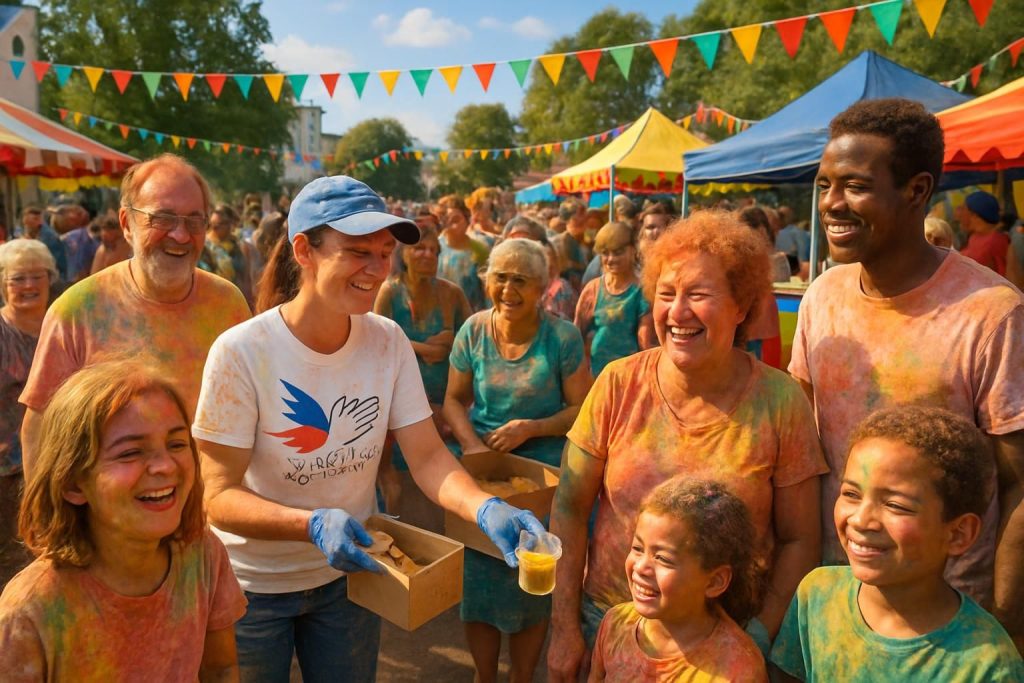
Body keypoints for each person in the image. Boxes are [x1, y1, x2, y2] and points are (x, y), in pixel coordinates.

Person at [192, 176, 545, 683]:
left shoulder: (387, 341)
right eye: (358, 253)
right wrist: (311, 524)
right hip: (254, 588)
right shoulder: (242, 352)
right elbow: (216, 495)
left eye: (384, 254)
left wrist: (483, 507)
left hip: (352, 575)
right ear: (304, 250)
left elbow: (427, 456)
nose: (378, 270)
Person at [548, 210, 827, 682]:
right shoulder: (617, 384)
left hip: (722, 649)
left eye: (698, 295)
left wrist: (759, 635)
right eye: (666, 294)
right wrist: (563, 627)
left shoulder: (780, 401)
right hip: (610, 628)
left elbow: (801, 539)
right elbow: (569, 509)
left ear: (741, 306)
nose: (678, 313)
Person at [791, 99, 1024, 640]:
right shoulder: (822, 298)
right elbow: (803, 457)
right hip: (838, 606)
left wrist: (1004, 626)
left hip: (948, 622)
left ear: (917, 190)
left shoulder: (992, 313)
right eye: (824, 186)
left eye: (855, 186)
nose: (832, 204)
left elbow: (1018, 485)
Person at [0, 362, 247, 681]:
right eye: (130, 453)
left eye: (176, 444)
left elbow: (221, 668)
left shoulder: (202, 556)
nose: (165, 466)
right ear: (73, 484)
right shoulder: (30, 613)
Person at [18, 153, 251, 478]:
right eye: (163, 218)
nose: (181, 235)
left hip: (209, 501)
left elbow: (251, 411)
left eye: (194, 220)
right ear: (127, 223)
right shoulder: (77, 311)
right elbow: (40, 427)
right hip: (112, 508)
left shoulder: (227, 304)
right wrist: (43, 509)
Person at [771, 406, 1024, 681]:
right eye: (851, 494)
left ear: (958, 534)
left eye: (895, 505)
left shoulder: (988, 665)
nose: (861, 520)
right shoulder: (817, 595)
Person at [444, 237, 592, 683]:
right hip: (483, 472)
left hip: (541, 480)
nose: (508, 290)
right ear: (488, 280)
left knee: (532, 583)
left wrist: (531, 427)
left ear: (543, 288)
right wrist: (471, 444)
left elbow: (580, 410)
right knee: (478, 587)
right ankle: (484, 675)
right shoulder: (473, 330)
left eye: (521, 281)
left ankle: (521, 677)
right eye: (501, 278)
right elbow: (453, 400)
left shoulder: (561, 338)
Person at [590, 478, 768, 682]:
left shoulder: (738, 670)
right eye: (637, 548)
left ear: (715, 582)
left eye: (663, 559)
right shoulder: (615, 625)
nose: (640, 567)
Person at [0, 241, 55, 587]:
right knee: (14, 560)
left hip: (60, 464)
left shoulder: (63, 325)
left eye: (37, 276)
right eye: (18, 278)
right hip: (7, 473)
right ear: (3, 283)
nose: (29, 286)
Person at [574, 222, 655, 377]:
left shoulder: (642, 291)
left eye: (618, 252)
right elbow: (577, 334)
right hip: (597, 374)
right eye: (605, 253)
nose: (611, 259)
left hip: (630, 373)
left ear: (633, 250)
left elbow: (644, 341)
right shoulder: (593, 289)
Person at [438, 199, 489, 312]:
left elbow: (487, 288)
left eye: (456, 219)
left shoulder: (479, 250)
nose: (452, 224)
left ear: (467, 220)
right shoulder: (435, 248)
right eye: (447, 219)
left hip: (471, 312)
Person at [958, 190, 1010, 275]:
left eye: (963, 209)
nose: (960, 215)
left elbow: (1006, 275)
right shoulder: (974, 237)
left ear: (974, 215)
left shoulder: (997, 241)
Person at [18, 206, 67, 283]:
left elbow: (53, 262)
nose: (27, 225)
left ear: (40, 220)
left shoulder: (50, 237)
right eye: (26, 223)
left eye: (34, 220)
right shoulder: (21, 233)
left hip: (53, 276)